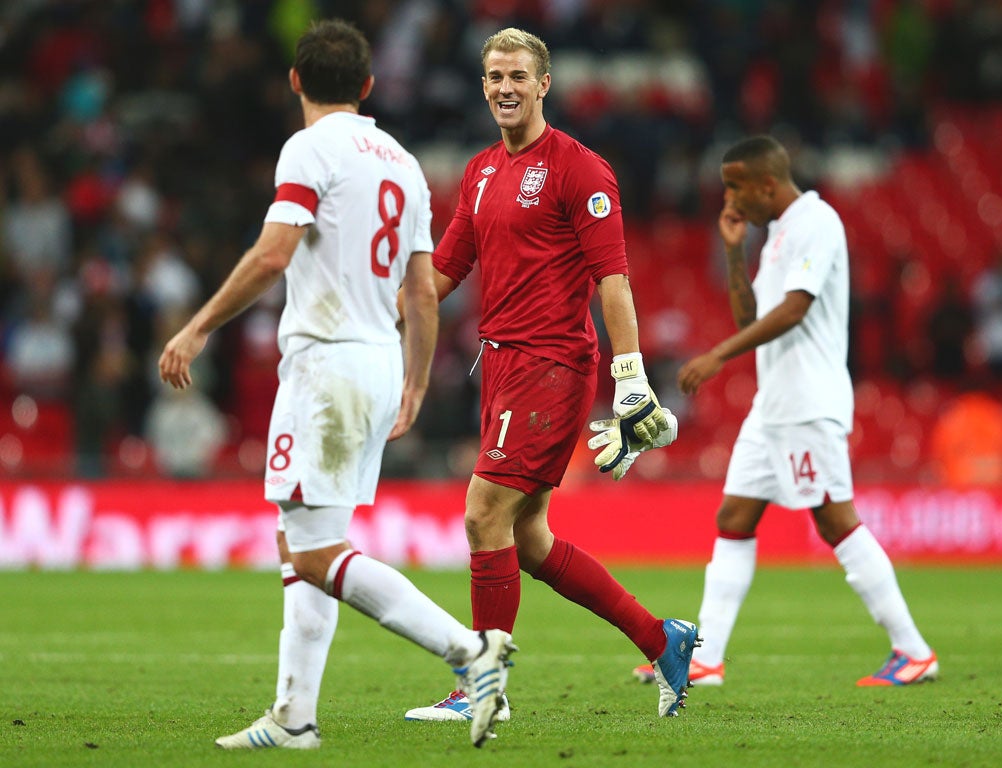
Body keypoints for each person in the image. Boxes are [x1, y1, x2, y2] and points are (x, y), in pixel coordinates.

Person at [158, 19, 516, 750]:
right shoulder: (404, 162)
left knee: (317, 553)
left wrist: (198, 326)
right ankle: (294, 717)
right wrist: (413, 380)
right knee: (306, 546)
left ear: (295, 81)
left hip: (326, 366)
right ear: (368, 86)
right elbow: (422, 292)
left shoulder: (309, 148)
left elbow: (272, 254)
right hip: (378, 360)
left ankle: (471, 652)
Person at [401, 27, 699, 724]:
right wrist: (372, 309)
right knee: (526, 539)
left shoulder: (578, 168)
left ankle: (486, 687)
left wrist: (630, 377)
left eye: (518, 76)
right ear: (483, 86)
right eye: (494, 76)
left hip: (552, 365)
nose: (505, 87)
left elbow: (613, 279)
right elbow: (445, 271)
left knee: (482, 513)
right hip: (500, 365)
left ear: (544, 84)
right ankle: (664, 639)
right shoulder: (479, 172)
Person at [632, 135, 937, 688]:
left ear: (765, 184)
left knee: (833, 519)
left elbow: (795, 310)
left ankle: (912, 650)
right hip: (772, 406)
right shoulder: (774, 238)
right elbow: (753, 312)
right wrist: (731, 250)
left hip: (807, 403)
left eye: (733, 185)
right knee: (734, 519)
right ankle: (705, 658)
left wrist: (718, 356)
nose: (726, 196)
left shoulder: (816, 223)